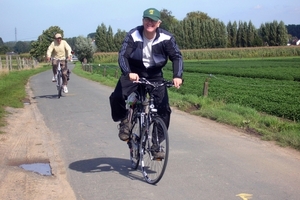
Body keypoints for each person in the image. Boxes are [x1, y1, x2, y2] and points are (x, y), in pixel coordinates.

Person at [109, 8, 184, 145]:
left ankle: (156, 143)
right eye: (147, 20)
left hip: (154, 75)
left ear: (159, 23)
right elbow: (123, 55)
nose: (150, 23)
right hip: (134, 73)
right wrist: (128, 72)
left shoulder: (166, 38)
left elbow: (176, 56)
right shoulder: (133, 35)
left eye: (153, 21)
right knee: (117, 97)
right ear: (143, 21)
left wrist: (177, 75)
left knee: (164, 109)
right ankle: (124, 120)